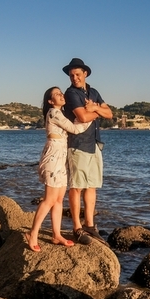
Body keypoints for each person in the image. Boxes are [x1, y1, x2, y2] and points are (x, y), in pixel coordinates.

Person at [24, 86, 95, 252]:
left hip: (60, 157)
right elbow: (75, 129)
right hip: (53, 157)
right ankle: (32, 234)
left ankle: (56, 235)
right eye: (57, 94)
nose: (61, 95)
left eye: (61, 92)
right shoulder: (53, 113)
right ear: (50, 101)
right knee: (49, 199)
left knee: (58, 200)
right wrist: (93, 114)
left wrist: (87, 114)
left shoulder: (60, 113)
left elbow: (74, 125)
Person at [62, 58, 113, 244]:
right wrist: (97, 110)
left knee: (91, 185)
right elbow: (83, 117)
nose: (74, 78)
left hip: (94, 144)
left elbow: (110, 114)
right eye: (71, 75)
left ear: (85, 74)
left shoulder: (94, 92)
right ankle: (77, 228)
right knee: (76, 186)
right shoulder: (71, 93)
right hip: (78, 144)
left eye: (77, 74)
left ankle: (90, 225)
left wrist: (95, 107)